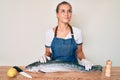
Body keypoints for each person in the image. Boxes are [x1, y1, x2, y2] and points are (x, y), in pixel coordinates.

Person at [39, 1, 93, 71]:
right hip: (54, 70)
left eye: (69, 11)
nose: (66, 14)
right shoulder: (49, 33)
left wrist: (84, 60)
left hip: (73, 70)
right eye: (63, 11)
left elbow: (79, 52)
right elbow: (48, 52)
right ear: (57, 14)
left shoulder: (77, 32)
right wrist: (45, 57)